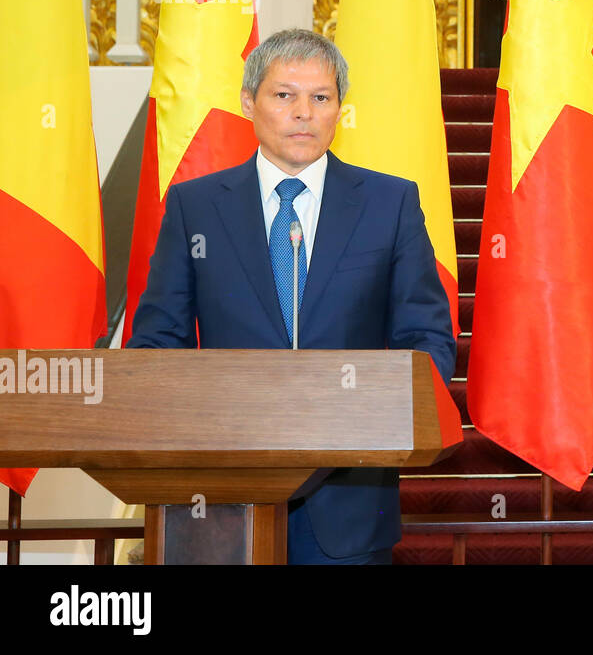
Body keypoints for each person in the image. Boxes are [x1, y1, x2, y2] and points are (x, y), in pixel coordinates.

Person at [128, 28, 456, 565]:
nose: (304, 112)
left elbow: (426, 338)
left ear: (339, 110)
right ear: (248, 103)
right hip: (222, 501)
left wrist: (379, 417)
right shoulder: (195, 206)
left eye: (321, 98)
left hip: (349, 500)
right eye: (284, 96)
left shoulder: (389, 202)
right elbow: (156, 346)